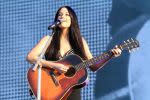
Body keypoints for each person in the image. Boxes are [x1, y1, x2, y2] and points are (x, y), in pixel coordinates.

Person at [26, 6, 122, 100]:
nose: (62, 16)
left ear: (72, 19)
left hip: (72, 92)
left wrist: (111, 55)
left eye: (66, 14)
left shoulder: (80, 42)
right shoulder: (48, 39)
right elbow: (30, 57)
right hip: (50, 90)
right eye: (60, 15)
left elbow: (93, 65)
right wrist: (54, 66)